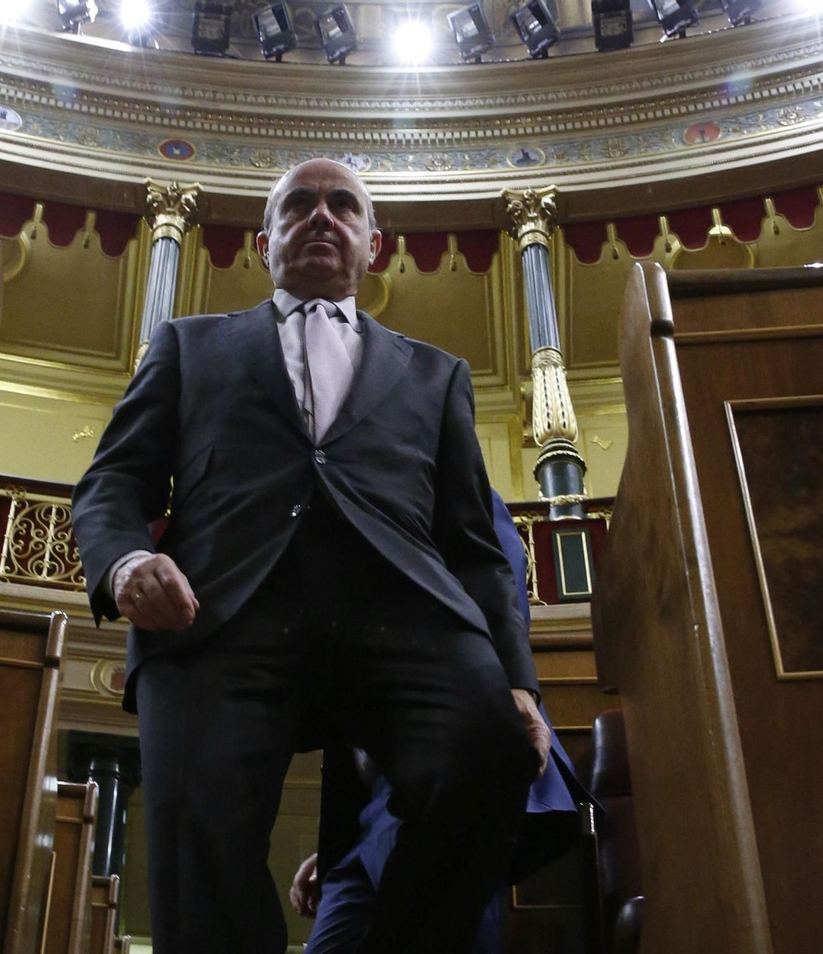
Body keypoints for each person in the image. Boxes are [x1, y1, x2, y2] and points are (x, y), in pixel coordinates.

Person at [71, 158, 551, 954]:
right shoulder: (189, 346)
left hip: (404, 623)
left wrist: (519, 680)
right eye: (299, 204)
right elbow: (112, 480)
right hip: (219, 618)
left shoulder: (437, 376)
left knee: (493, 749)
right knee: (199, 847)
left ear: (375, 244)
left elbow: (473, 547)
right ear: (265, 242)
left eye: (342, 205)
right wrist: (123, 564)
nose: (320, 215)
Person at [291, 490, 592, 954]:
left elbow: (500, 585)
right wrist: (343, 847)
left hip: (451, 765)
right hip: (372, 812)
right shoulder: (339, 508)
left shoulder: (447, 476)